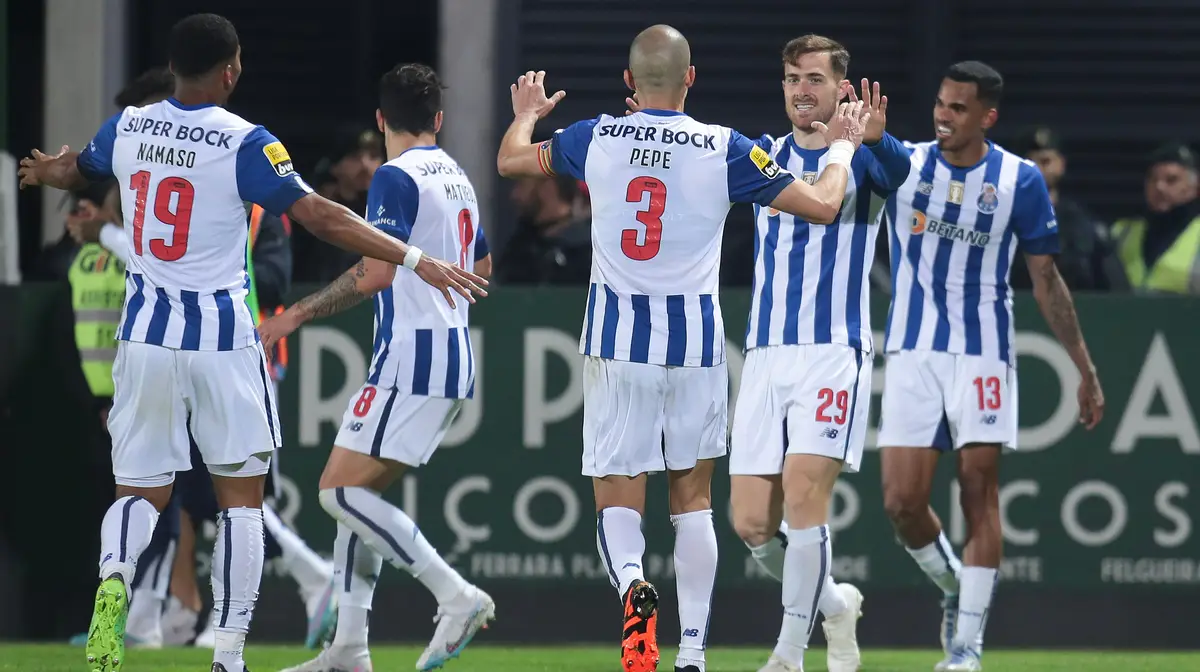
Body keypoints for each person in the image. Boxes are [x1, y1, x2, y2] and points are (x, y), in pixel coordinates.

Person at [17, 13, 485, 672]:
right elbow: (320, 215)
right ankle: (229, 654)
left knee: (137, 494)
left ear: (174, 67)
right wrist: (411, 257)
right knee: (242, 502)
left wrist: (48, 169)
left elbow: (81, 168)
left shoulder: (129, 126)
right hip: (221, 339)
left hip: (145, 337)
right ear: (231, 70)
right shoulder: (246, 142)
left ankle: (113, 594)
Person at [497, 24, 869, 672]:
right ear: (690, 79)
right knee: (692, 503)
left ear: (628, 82)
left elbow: (511, 160)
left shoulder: (599, 137)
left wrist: (526, 115)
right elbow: (822, 206)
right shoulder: (726, 149)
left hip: (617, 344)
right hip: (695, 347)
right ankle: (693, 653)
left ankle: (634, 585)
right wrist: (840, 153)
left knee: (618, 495)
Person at [260, 63, 495, 672]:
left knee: (338, 492)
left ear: (380, 120)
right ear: (438, 120)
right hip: (444, 350)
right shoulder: (458, 177)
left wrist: (297, 314)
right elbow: (483, 269)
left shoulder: (395, 175)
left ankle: (456, 596)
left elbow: (378, 269)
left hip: (413, 355)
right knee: (352, 497)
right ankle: (348, 650)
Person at [876, 61, 1105, 672]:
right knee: (901, 501)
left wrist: (1083, 367)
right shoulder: (905, 163)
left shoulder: (1019, 180)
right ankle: (954, 584)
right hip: (912, 351)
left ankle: (968, 646)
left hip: (983, 351)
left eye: (958, 108)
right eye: (940, 104)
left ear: (987, 116)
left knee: (979, 490)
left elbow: (1046, 279)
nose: (943, 115)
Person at [727, 34, 911, 672]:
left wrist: (877, 139)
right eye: (791, 79)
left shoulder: (859, 158)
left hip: (834, 351)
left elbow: (898, 174)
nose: (801, 91)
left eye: (813, 79)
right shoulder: (761, 155)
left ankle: (786, 654)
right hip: (766, 353)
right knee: (751, 522)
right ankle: (833, 603)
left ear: (841, 89)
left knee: (805, 494)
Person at [1007, 126, 1125, 291]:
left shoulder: (1084, 227)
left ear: (1061, 164)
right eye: (1028, 163)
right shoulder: (997, 222)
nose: (1036, 170)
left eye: (1045, 161)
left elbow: (1118, 291)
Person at [1111, 142, 1200, 294]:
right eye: (1153, 179)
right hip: (1128, 316)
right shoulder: (1121, 232)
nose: (1159, 187)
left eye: (1171, 180)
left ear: (1195, 186)